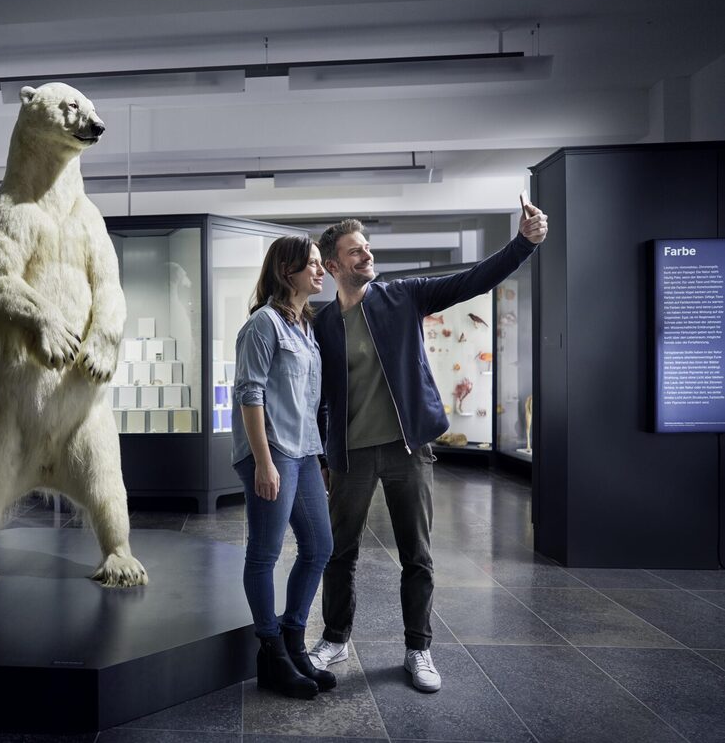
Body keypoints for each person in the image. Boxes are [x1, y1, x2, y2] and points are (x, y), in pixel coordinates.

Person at [309, 197, 549, 692]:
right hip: (350, 456)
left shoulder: (404, 296)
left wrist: (523, 243)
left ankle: (419, 649)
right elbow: (319, 396)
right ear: (333, 265)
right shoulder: (323, 322)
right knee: (339, 553)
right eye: (355, 251)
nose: (366, 256)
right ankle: (334, 638)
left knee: (416, 555)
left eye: (367, 248)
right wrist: (322, 455)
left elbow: (473, 280)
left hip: (406, 450)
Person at [231, 235, 336, 700]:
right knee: (266, 552)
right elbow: (250, 393)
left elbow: (308, 402)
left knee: (319, 546)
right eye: (311, 264)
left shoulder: (306, 330)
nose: (320, 271)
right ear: (286, 271)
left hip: (304, 451)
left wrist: (319, 456)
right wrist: (263, 462)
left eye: (319, 264)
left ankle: (294, 641)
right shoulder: (264, 325)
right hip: (271, 451)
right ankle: (270, 653)